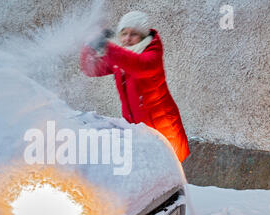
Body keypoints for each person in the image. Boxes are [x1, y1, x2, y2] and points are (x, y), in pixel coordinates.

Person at [80, 11, 190, 162]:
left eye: (134, 34)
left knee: (163, 176)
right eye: (124, 33)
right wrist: (90, 45)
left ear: (143, 37)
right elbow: (90, 69)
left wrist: (107, 47)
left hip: (163, 133)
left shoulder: (151, 54)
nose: (127, 39)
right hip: (139, 133)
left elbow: (139, 65)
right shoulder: (120, 56)